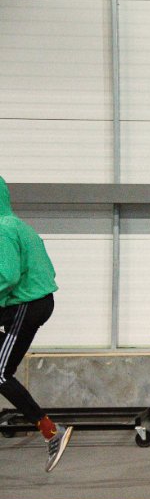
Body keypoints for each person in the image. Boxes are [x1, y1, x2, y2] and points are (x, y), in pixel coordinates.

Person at [0, 175, 73, 472]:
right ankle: (50, 431)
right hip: (34, 303)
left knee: (1, 373)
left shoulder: (3, 229)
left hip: (27, 305)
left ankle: (51, 431)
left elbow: (7, 276)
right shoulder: (17, 225)